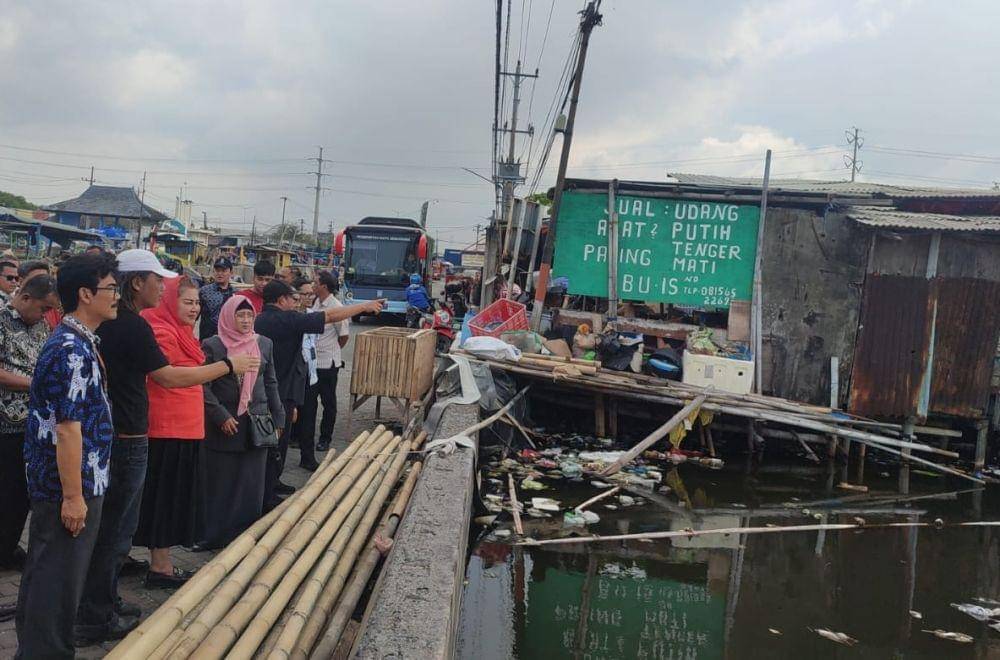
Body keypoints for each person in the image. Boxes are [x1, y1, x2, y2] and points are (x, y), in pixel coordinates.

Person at [75, 249, 259, 645]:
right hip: (128, 437)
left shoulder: (119, 323)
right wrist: (230, 366)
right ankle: (94, 616)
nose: (164, 288)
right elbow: (169, 378)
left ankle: (100, 603)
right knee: (114, 533)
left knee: (115, 531)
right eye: (160, 281)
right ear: (136, 283)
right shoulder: (136, 326)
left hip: (123, 433)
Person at [16, 253, 119, 658]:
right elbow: (67, 429)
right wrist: (74, 497)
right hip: (67, 484)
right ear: (85, 293)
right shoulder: (70, 349)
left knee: (51, 573)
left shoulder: (78, 341)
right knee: (57, 578)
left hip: (76, 478)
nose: (116, 297)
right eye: (110, 289)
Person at [255, 280, 384, 509]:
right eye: (292, 299)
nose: (295, 303)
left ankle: (273, 483)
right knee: (275, 443)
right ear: (281, 300)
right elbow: (330, 317)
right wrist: (363, 307)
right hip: (279, 391)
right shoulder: (287, 319)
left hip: (266, 388)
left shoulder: (260, 318)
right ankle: (265, 496)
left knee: (273, 442)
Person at [132, 277, 206, 587]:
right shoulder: (159, 330)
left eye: (197, 303)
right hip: (166, 428)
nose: (194, 308)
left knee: (169, 496)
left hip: (184, 427)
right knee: (162, 498)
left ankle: (157, 560)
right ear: (169, 301)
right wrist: (227, 366)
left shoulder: (182, 332)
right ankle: (160, 566)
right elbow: (168, 377)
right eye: (187, 302)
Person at [200, 296, 284, 548]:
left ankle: (244, 539)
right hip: (225, 425)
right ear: (228, 317)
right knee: (220, 482)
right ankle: (213, 536)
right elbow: (203, 386)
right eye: (240, 316)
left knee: (251, 485)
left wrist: (278, 417)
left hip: (256, 423)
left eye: (250, 315)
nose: (246, 321)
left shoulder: (264, 344)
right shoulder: (213, 345)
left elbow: (270, 382)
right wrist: (220, 416)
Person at [0, 275, 59, 573]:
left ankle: (8, 547)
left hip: (33, 423)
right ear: (24, 298)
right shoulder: (2, 321)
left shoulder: (41, 326)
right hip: (5, 424)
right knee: (6, 491)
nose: (45, 314)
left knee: (22, 493)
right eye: (42, 307)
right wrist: (33, 384)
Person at [301, 271, 350, 455]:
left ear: (324, 286)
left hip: (328, 364)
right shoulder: (313, 303)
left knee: (328, 403)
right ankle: (306, 438)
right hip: (311, 362)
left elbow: (344, 337)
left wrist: (331, 350)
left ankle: (325, 438)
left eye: (315, 283)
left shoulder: (336, 307)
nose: (312, 285)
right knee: (309, 403)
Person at [198, 257, 235, 339]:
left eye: (223, 271)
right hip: (207, 339)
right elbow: (194, 317)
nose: (220, 273)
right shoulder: (204, 291)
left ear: (231, 272)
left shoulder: (235, 294)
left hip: (229, 340)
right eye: (217, 270)